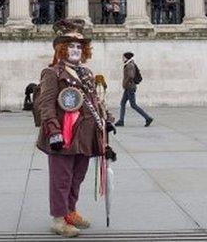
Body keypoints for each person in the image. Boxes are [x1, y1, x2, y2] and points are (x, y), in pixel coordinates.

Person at [36, 19, 114, 237]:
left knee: (77, 176)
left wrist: (106, 119)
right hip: (63, 135)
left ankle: (71, 211)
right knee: (61, 179)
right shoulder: (52, 73)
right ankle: (59, 219)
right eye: (70, 46)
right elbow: (46, 104)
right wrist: (54, 131)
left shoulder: (87, 73)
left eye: (79, 46)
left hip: (86, 135)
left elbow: (95, 101)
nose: (75, 50)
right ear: (61, 49)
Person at [116, 51, 153, 127]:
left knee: (133, 105)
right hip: (128, 87)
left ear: (126, 57)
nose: (122, 59)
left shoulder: (129, 65)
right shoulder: (128, 64)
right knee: (122, 103)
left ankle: (148, 118)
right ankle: (121, 120)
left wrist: (125, 83)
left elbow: (131, 76)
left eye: (123, 57)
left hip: (130, 87)